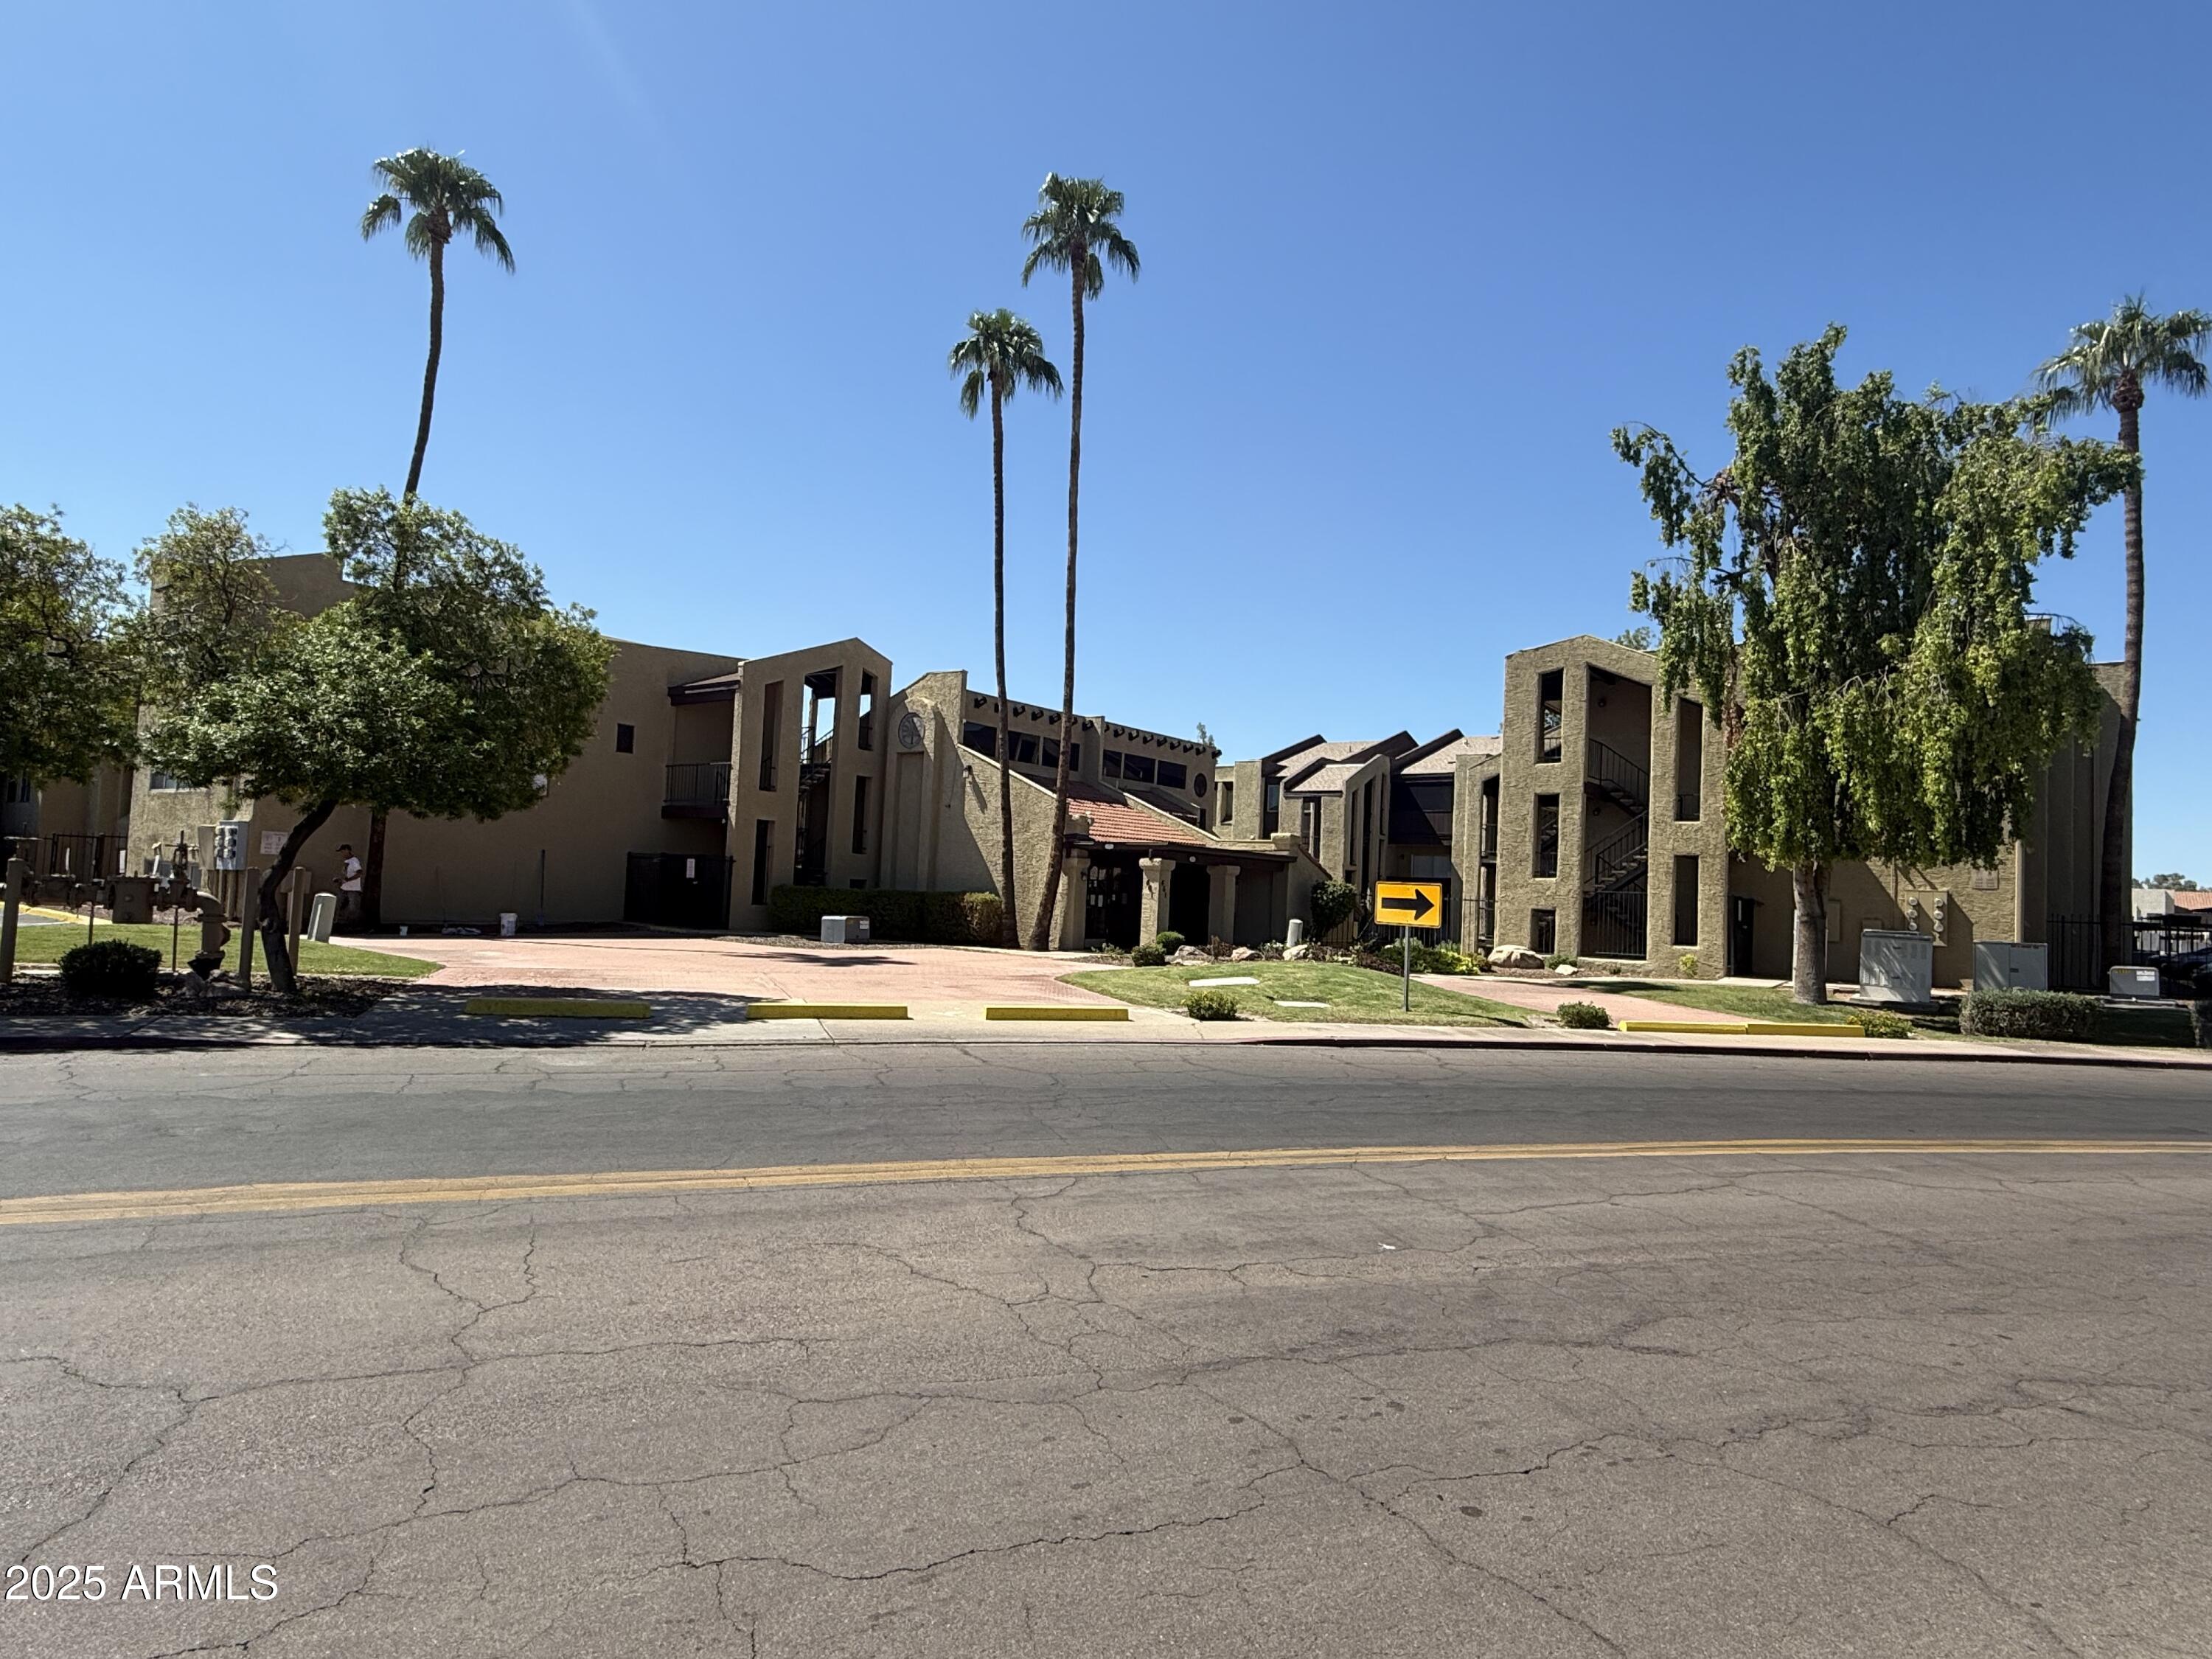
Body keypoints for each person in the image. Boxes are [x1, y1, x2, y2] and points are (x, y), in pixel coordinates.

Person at [337, 843, 365, 929]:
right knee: (341, 906)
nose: (342, 854)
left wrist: (349, 880)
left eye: (342, 852)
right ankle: (342, 923)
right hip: (345, 888)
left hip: (353, 889)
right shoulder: (347, 862)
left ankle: (354, 925)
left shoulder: (354, 861)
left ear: (347, 851)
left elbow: (359, 873)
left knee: (353, 908)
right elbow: (346, 874)